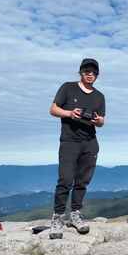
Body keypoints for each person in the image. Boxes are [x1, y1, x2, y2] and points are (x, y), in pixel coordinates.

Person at [48, 58, 105, 239]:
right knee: (65, 179)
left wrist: (99, 121)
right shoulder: (68, 88)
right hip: (69, 141)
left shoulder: (99, 96)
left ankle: (75, 214)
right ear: (80, 72)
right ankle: (57, 217)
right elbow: (53, 109)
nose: (90, 74)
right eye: (87, 71)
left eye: (93, 72)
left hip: (90, 142)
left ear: (97, 75)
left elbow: (102, 121)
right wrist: (70, 113)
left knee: (83, 181)